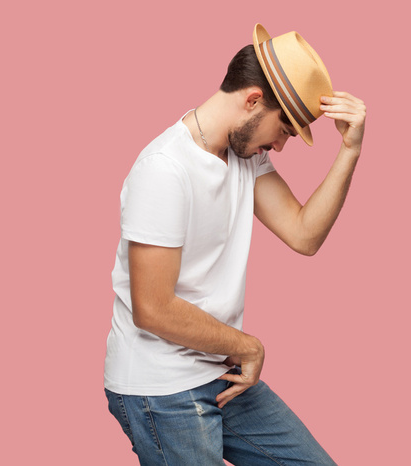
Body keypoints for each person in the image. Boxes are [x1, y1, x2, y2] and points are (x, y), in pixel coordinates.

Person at [104, 23, 366, 465]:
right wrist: (249, 346)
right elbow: (152, 307)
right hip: (161, 388)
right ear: (252, 100)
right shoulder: (164, 171)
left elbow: (304, 234)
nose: (281, 146)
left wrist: (350, 152)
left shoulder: (245, 156)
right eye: (284, 129)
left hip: (221, 374)